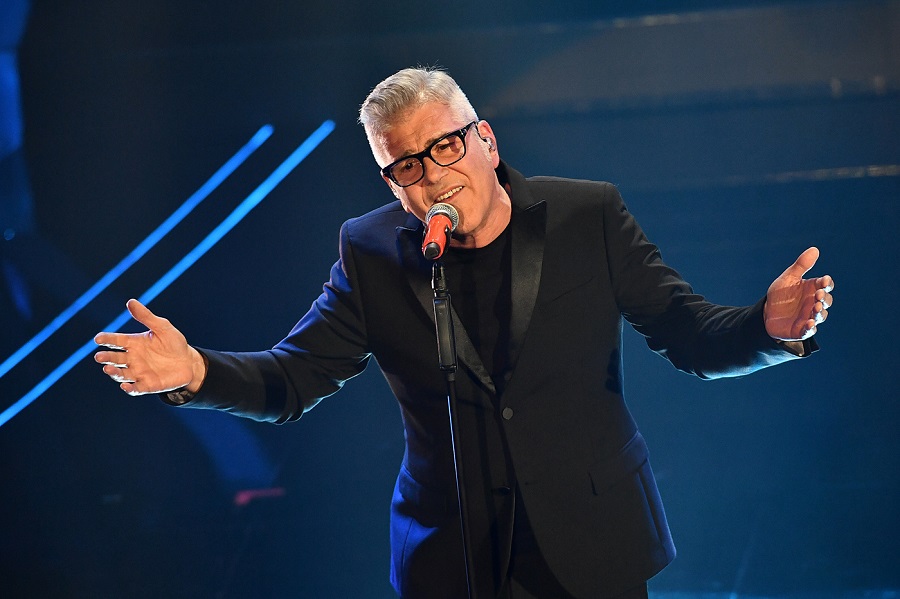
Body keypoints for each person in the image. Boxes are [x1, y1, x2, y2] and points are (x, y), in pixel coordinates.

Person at [94, 67, 834, 599]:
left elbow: (689, 334)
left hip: (590, 543)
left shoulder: (585, 217)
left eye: (444, 147)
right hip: (450, 558)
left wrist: (765, 328)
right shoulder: (372, 252)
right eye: (405, 166)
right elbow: (295, 377)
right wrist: (196, 373)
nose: (432, 178)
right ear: (391, 182)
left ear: (484, 139)